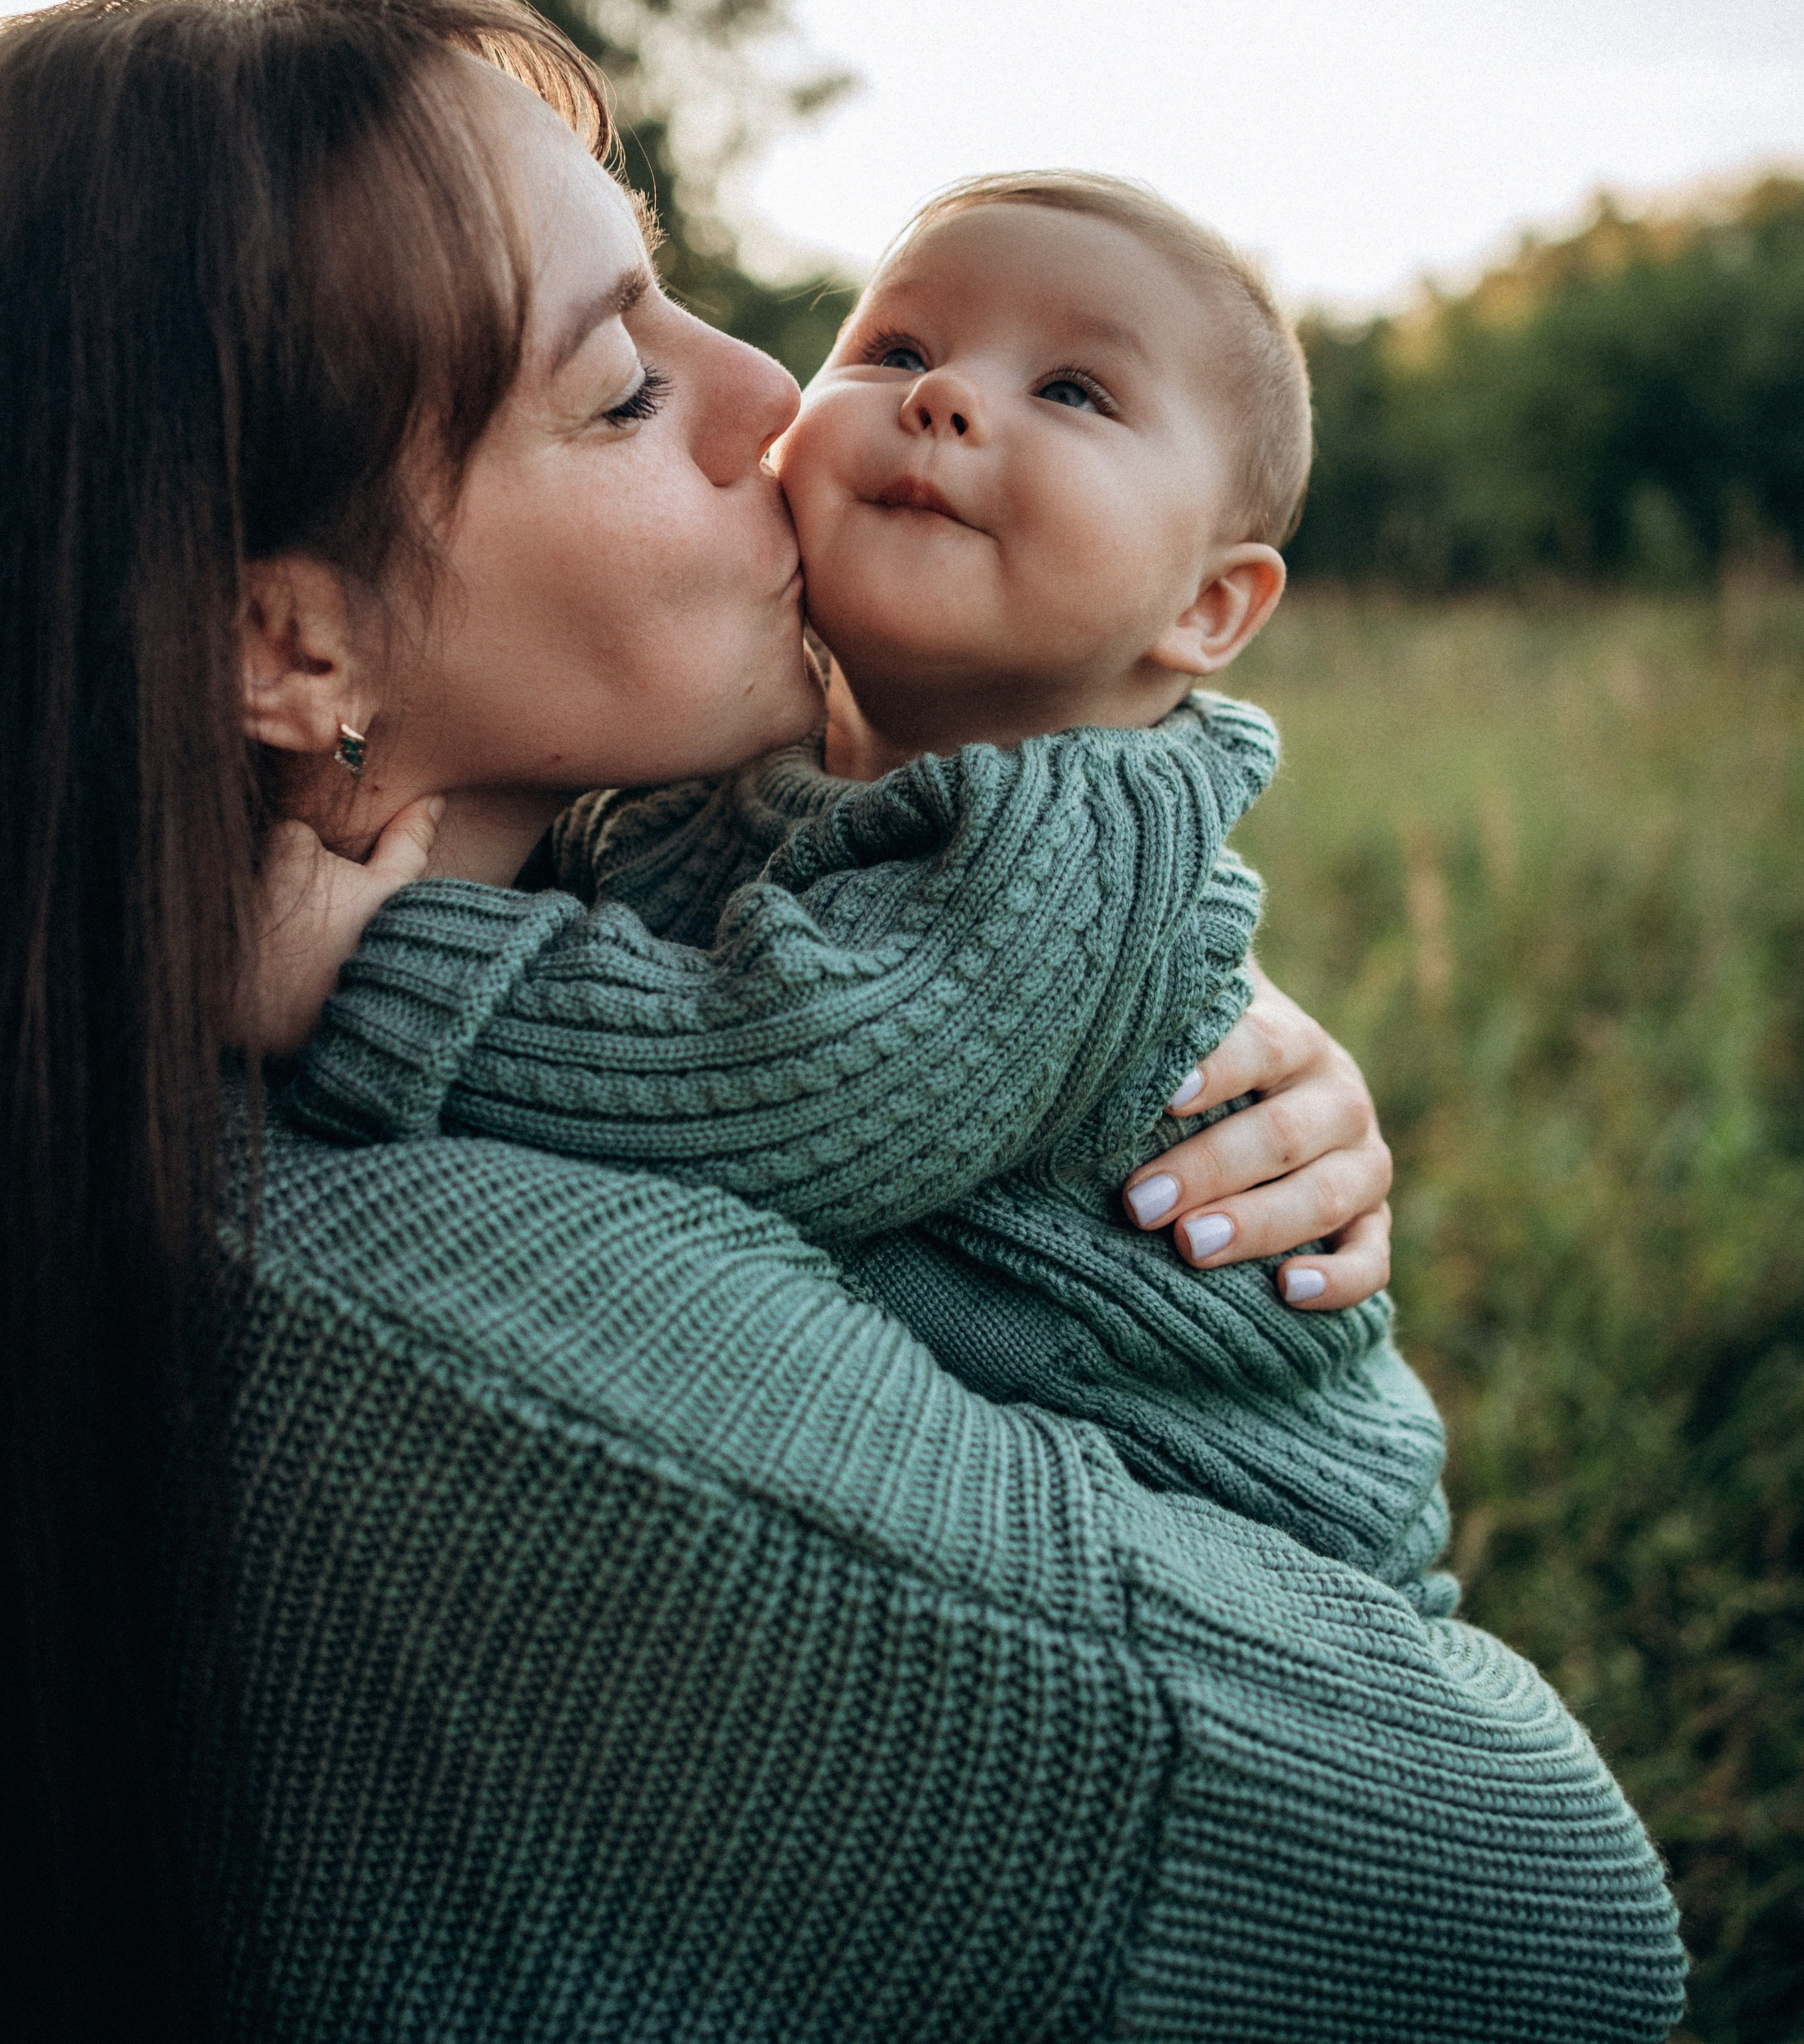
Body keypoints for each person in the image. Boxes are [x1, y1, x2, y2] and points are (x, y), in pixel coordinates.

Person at [0, 0, 1685, 2043]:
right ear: (290, 651)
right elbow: (1548, 1923)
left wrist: (1133, 1067)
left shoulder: (156, 1080)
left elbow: (875, 1035)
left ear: (1216, 605)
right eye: (620, 388)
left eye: (686, 302)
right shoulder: (451, 1320)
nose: (778, 409)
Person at [270, 169, 1452, 1604]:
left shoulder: (1080, 831)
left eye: (1073, 391)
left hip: (1241, 1515)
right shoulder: (726, 766)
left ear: (1206, 608)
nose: (946, 398)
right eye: (895, 351)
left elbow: (794, 1081)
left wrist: (362, 964)